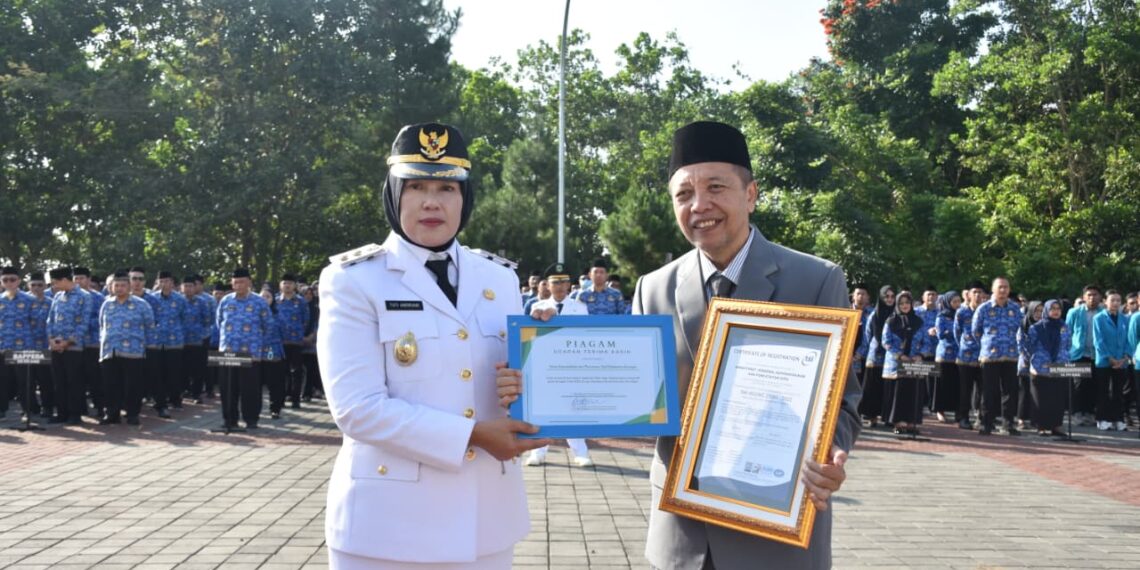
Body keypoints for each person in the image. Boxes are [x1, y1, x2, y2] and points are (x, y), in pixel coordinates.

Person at [629, 121, 859, 569]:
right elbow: (634, 393)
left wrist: (829, 452)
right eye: (683, 194)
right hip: (682, 536)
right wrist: (546, 353)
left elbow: (844, 399)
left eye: (716, 187)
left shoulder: (815, 280)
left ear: (751, 194)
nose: (700, 205)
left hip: (774, 529)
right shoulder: (652, 288)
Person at [317, 122, 547, 569]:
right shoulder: (353, 280)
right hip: (387, 528)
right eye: (416, 186)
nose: (431, 201)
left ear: (465, 198)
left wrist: (542, 366)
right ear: (393, 194)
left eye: (447, 188)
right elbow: (357, 408)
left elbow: (510, 381)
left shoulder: (499, 278)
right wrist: (473, 434)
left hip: (487, 521)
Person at [523, 263, 594, 467]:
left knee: (573, 409)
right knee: (541, 409)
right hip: (545, 365)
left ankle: (580, 453)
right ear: (547, 285)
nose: (560, 286)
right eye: (555, 282)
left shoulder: (580, 307)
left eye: (564, 282)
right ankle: (537, 451)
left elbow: (585, 335)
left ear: (569, 284)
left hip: (572, 365)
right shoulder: (537, 306)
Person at [216, 268, 271, 430]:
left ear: (249, 283)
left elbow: (268, 325)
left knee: (250, 388)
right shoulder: (226, 300)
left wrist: (258, 344)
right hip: (228, 350)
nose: (238, 285)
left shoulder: (259, 302)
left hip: (251, 351)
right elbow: (219, 322)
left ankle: (251, 419)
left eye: (242, 282)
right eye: (235, 282)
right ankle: (229, 419)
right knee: (228, 388)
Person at [98, 271, 155, 425]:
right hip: (110, 350)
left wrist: (149, 348)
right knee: (111, 384)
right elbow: (101, 325)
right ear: (111, 287)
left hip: (133, 351)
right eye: (116, 285)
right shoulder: (106, 304)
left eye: (123, 285)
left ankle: (132, 414)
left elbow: (150, 327)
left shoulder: (141, 304)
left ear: (129, 287)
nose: (119, 288)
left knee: (133, 385)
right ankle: (112, 414)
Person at [972, 277, 1022, 435]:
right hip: (990, 355)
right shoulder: (984, 308)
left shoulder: (1015, 309)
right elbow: (976, 331)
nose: (1003, 290)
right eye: (1000, 287)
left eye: (1006, 287)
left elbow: (1021, 329)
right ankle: (986, 423)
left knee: (1010, 391)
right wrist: (988, 343)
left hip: (1011, 355)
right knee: (989, 391)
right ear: (993, 289)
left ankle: (1008, 424)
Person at [46, 267, 91, 425]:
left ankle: (74, 414)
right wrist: (51, 339)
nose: (54, 286)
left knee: (74, 381)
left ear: (65, 280)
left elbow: (84, 323)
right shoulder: (58, 296)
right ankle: (61, 413)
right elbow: (50, 319)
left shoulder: (84, 296)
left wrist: (68, 342)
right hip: (56, 346)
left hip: (73, 347)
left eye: (55, 282)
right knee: (59, 381)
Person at [881, 291, 927, 434]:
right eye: (901, 303)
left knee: (913, 392)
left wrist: (920, 355)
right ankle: (899, 423)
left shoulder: (919, 321)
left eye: (907, 303)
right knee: (899, 393)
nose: (905, 306)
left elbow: (927, 341)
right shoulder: (891, 321)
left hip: (914, 362)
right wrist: (900, 355)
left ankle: (912, 422)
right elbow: (886, 342)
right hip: (896, 364)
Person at [147, 271, 189, 416]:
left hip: (174, 340)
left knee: (174, 372)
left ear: (172, 283)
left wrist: (179, 332)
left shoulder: (180, 299)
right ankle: (160, 400)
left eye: (167, 281)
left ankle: (176, 399)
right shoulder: (152, 298)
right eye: (162, 281)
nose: (164, 284)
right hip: (157, 341)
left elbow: (184, 318)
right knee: (158, 372)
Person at [1027, 300, 1071, 436]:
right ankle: (1041, 426)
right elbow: (1029, 346)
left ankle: (1056, 426)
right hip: (1041, 367)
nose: (1056, 311)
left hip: (1059, 365)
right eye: (1052, 308)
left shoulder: (1064, 326)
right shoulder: (1036, 328)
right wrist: (1034, 361)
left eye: (1058, 308)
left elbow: (1068, 344)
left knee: (1057, 398)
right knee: (1041, 399)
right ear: (1046, 310)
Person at [0, 267, 35, 419]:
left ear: (19, 281)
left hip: (23, 346)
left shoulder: (29, 300)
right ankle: (1, 410)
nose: (9, 283)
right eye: (5, 280)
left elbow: (36, 324)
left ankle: (27, 410)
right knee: (2, 380)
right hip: (2, 346)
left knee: (24, 381)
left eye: (12, 279)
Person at [1066, 285, 1103, 425]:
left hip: (1096, 354)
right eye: (1089, 295)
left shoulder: (1103, 313)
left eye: (1095, 294)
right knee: (1079, 384)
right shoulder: (1074, 312)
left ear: (1100, 297)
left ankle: (1089, 413)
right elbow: (1067, 332)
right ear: (1084, 297)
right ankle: (1076, 413)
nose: (1092, 298)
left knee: (1093, 385)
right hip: (1078, 353)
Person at [1092, 290, 1129, 431]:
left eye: (1118, 300)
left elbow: (1129, 340)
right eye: (1112, 300)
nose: (1115, 303)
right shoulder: (1099, 318)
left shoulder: (1125, 318)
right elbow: (1098, 341)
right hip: (1104, 361)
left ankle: (1118, 419)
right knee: (1103, 391)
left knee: (1118, 392)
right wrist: (1110, 358)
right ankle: (1102, 418)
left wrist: (1124, 356)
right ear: (1105, 302)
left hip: (1121, 361)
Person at [859, 285, 895, 428]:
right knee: (873, 388)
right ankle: (871, 416)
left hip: (891, 357)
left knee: (888, 388)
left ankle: (888, 417)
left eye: (892, 296)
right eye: (887, 296)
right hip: (875, 357)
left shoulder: (897, 315)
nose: (890, 299)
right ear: (881, 297)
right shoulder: (874, 315)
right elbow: (867, 336)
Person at [74, 267, 104, 419]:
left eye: (82, 278)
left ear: (89, 279)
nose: (78, 281)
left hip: (92, 343)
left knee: (95, 378)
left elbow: (101, 319)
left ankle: (100, 407)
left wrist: (81, 322)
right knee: (77, 378)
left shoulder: (98, 297)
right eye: (76, 278)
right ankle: (80, 408)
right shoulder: (69, 297)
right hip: (74, 344)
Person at [276, 273, 309, 410]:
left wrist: (301, 334)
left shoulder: (301, 301)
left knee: (296, 372)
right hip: (279, 342)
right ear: (280, 285)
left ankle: (296, 399)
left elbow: (306, 320)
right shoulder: (276, 301)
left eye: (290, 283)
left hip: (296, 342)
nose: (287, 285)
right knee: (280, 372)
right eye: (284, 283)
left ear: (295, 286)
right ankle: (280, 399)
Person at [955, 282, 985, 430]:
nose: (977, 295)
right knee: (964, 390)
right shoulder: (961, 312)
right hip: (965, 357)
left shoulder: (986, 311)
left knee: (983, 390)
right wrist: (965, 345)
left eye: (980, 292)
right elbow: (957, 333)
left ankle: (982, 418)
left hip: (984, 356)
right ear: (968, 294)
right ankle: (963, 418)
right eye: (975, 292)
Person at [27, 271, 54, 417]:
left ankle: (47, 407)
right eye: (33, 285)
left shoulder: (51, 302)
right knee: (27, 380)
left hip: (44, 346)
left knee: (45, 380)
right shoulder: (22, 302)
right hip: (25, 346)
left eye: (39, 285)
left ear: (45, 286)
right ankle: (30, 408)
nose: (36, 288)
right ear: (28, 286)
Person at [182, 275, 212, 404]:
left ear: (195, 288)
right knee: (182, 368)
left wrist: (199, 331)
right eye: (186, 286)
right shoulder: (178, 301)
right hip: (181, 340)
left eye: (191, 286)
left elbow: (208, 319)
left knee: (198, 368)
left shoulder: (202, 302)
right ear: (181, 287)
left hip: (198, 340)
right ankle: (184, 390)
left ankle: (196, 393)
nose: (188, 288)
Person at [933, 291, 962, 423]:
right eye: (954, 302)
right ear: (947, 303)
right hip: (944, 354)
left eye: (958, 301)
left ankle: (957, 411)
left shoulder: (961, 315)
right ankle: (940, 411)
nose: (957, 304)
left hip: (958, 354)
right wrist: (955, 331)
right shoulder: (942, 316)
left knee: (956, 384)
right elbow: (940, 334)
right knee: (942, 384)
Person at [259, 287, 288, 420]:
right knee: (255, 381)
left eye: (268, 297)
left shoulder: (278, 314)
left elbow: (284, 332)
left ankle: (275, 408)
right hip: (255, 350)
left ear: (273, 299)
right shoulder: (253, 313)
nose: (265, 299)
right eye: (262, 296)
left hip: (272, 350)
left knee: (274, 381)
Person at [1016, 301, 1043, 430]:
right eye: (1036, 311)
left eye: (1041, 311)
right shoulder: (1023, 324)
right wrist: (1030, 358)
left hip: (1040, 364)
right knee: (1024, 392)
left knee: (1037, 392)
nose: (1039, 314)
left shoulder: (1044, 325)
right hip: (1026, 363)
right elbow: (1020, 343)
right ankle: (1021, 419)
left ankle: (1035, 419)